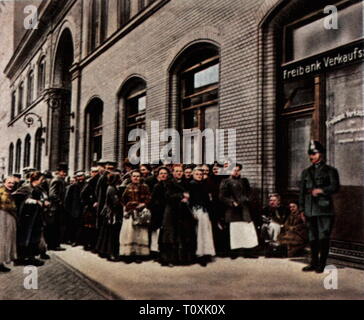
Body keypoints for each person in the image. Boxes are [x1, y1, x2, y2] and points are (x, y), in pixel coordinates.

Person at [299, 140, 340, 273]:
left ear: (321, 154)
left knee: (323, 237)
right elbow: (301, 192)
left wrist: (321, 190)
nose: (312, 156)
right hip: (310, 209)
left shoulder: (330, 171)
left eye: (315, 153)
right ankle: (313, 262)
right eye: (310, 154)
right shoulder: (306, 172)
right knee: (312, 237)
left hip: (324, 209)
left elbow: (335, 187)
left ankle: (322, 264)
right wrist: (301, 209)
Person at [219, 164, 259, 259]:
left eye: (238, 170)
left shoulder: (244, 181)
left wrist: (247, 199)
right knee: (235, 231)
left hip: (244, 208)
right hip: (233, 210)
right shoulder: (225, 182)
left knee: (247, 230)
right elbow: (222, 196)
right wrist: (232, 202)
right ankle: (234, 253)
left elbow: (249, 192)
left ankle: (248, 252)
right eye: (234, 170)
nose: (236, 172)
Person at [159, 165, 196, 267]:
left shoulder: (186, 183)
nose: (179, 173)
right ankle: (169, 259)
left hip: (183, 211)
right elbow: (168, 196)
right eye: (177, 171)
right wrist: (181, 196)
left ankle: (182, 259)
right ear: (173, 173)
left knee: (183, 235)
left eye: (181, 171)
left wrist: (187, 199)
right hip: (171, 211)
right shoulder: (169, 183)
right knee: (170, 236)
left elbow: (190, 195)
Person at [12, 172, 48, 266]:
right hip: (27, 219)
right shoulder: (26, 188)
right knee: (25, 237)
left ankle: (30, 257)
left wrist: (44, 202)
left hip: (36, 217)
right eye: (41, 179)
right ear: (36, 179)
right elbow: (15, 196)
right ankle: (23, 258)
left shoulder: (39, 188)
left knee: (34, 237)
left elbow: (43, 197)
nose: (42, 181)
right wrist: (33, 201)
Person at [120, 170, 151, 263]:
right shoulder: (128, 187)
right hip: (130, 213)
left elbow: (149, 198)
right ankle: (128, 253)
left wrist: (144, 204)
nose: (136, 178)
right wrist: (126, 207)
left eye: (138, 176)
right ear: (131, 177)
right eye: (134, 176)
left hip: (141, 213)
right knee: (129, 233)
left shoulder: (145, 187)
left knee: (140, 234)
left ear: (141, 177)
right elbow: (123, 199)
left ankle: (139, 254)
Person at [189, 168, 215, 266]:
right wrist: (193, 211)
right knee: (199, 233)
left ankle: (206, 252)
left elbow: (207, 199)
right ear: (193, 174)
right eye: (197, 174)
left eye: (200, 174)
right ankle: (199, 254)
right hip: (197, 211)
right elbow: (191, 200)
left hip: (205, 211)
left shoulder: (203, 184)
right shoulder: (192, 184)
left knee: (206, 232)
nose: (199, 175)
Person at [96, 173, 123, 261]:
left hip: (111, 213)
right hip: (111, 214)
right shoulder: (112, 188)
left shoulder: (112, 187)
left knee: (108, 233)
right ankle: (111, 253)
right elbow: (115, 202)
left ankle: (104, 251)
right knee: (111, 234)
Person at [149, 167, 170, 259]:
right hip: (158, 211)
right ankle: (155, 252)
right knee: (156, 232)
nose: (163, 175)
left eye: (165, 173)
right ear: (158, 175)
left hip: (167, 211)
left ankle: (164, 251)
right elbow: (152, 200)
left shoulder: (170, 185)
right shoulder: (157, 186)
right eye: (161, 173)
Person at [46, 163, 68, 251]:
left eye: (65, 172)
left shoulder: (61, 180)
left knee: (56, 226)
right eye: (63, 172)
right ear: (58, 172)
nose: (64, 174)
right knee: (55, 227)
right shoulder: (57, 180)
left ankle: (54, 244)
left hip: (57, 207)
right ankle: (54, 245)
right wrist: (60, 202)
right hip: (55, 208)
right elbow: (52, 194)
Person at [0, 177, 17, 272]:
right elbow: (7, 205)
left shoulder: (7, 192)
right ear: (4, 182)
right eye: (9, 182)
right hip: (3, 217)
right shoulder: (2, 191)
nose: (11, 185)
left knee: (5, 240)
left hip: (7, 217)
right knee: (2, 240)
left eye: (13, 183)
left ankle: (1, 262)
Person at [64, 171, 86, 246]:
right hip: (74, 209)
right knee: (73, 226)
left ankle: (80, 240)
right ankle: (73, 240)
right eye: (78, 176)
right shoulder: (73, 187)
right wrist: (68, 210)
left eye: (81, 176)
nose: (80, 178)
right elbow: (67, 199)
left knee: (81, 226)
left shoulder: (86, 185)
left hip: (83, 208)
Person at [80, 167, 99, 251]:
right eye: (93, 172)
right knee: (88, 227)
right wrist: (91, 203)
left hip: (95, 208)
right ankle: (87, 244)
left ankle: (92, 244)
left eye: (96, 172)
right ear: (91, 173)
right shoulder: (89, 182)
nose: (95, 173)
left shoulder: (98, 181)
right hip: (89, 208)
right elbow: (83, 195)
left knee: (94, 227)